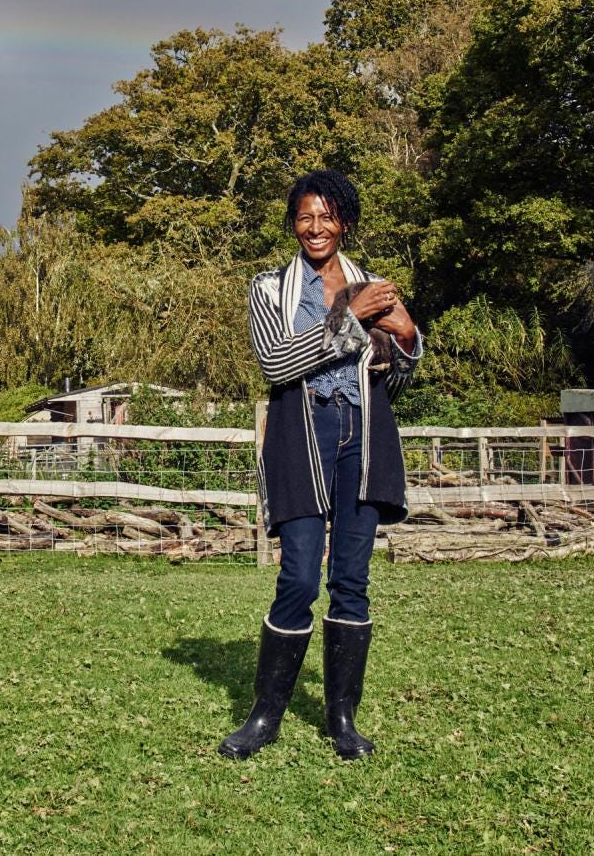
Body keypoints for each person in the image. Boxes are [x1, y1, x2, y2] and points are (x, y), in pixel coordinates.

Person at [219, 169, 421, 762]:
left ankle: (342, 720)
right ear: (293, 224)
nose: (315, 227)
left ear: (344, 223)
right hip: (302, 431)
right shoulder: (269, 288)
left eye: (326, 217)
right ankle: (264, 716)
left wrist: (407, 336)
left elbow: (396, 375)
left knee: (351, 580)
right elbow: (276, 363)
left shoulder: (373, 285)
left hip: (363, 432)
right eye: (305, 217)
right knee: (301, 576)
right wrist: (350, 317)